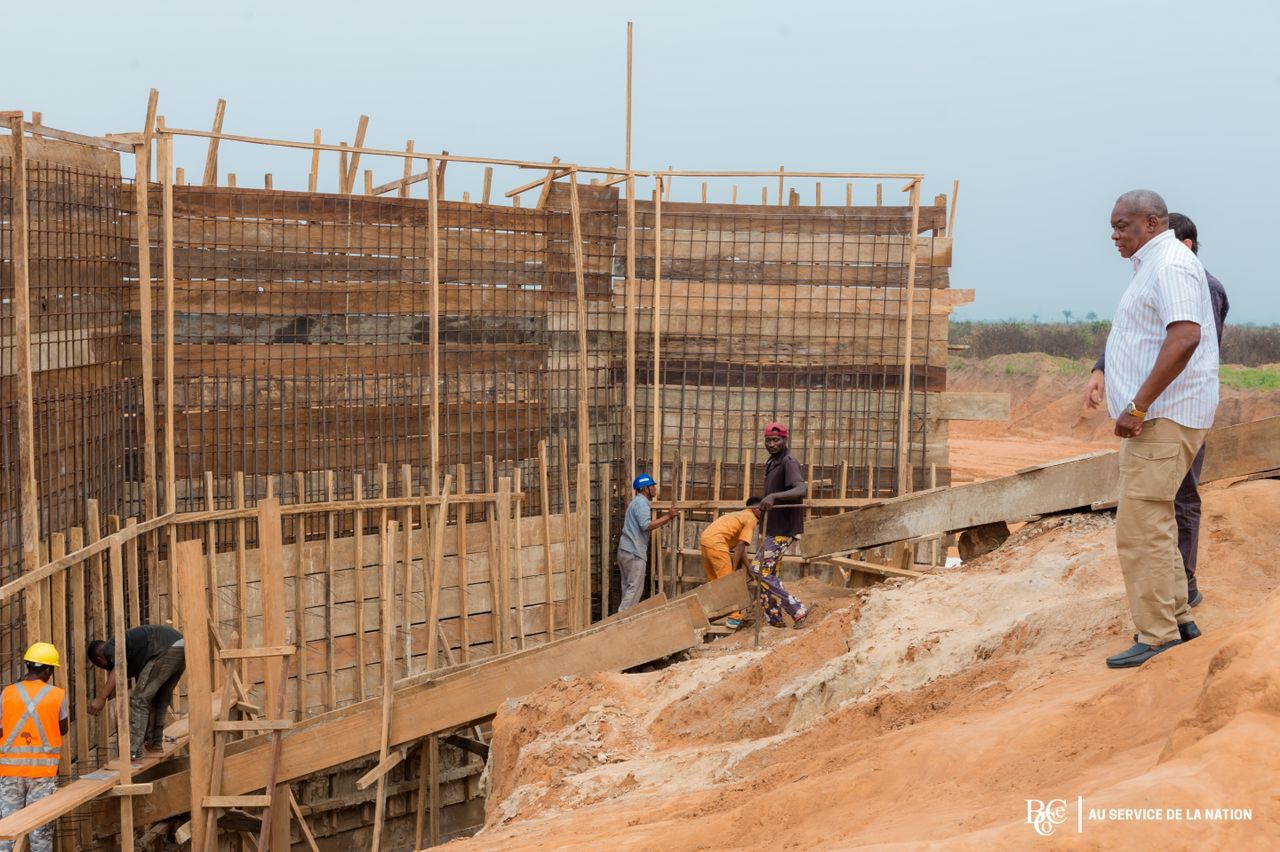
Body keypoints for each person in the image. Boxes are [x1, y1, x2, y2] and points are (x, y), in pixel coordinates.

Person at [1086, 212, 1228, 609]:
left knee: (1153, 523)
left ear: (1154, 226)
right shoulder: (1153, 270)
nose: (1112, 234)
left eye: (1120, 225)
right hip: (1159, 415)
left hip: (1166, 415)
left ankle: (1160, 628)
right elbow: (1139, 337)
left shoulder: (1175, 270)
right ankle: (1178, 612)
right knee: (1157, 520)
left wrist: (1137, 404)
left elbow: (1185, 343)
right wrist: (1103, 369)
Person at [0, 643, 68, 852]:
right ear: (48, 670)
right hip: (42, 775)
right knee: (41, 833)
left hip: (10, 772)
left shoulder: (7, 693)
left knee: (7, 830)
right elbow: (63, 729)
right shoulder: (57, 695)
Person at [87, 625, 185, 759]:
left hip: (165, 648)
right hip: (181, 646)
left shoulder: (110, 646)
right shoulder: (135, 654)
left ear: (99, 659)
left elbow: (119, 667)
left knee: (138, 700)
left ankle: (133, 753)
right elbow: (146, 691)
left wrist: (102, 698)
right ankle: (154, 744)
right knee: (158, 699)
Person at [751, 423, 810, 628]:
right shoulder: (772, 463)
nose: (772, 444)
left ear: (785, 440)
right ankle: (774, 617)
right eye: (768, 440)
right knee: (769, 574)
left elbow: (801, 489)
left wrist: (774, 496)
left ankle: (796, 609)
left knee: (759, 570)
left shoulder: (788, 462)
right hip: (772, 528)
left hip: (783, 530)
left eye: (776, 440)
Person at [698, 497, 762, 629]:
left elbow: (741, 547)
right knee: (728, 582)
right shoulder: (751, 520)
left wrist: (749, 567)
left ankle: (712, 613)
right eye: (762, 510)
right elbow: (740, 546)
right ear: (755, 509)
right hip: (717, 543)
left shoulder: (740, 515)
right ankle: (734, 618)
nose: (764, 513)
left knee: (714, 582)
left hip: (706, 540)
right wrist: (733, 569)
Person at [616, 474, 677, 612]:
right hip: (634, 553)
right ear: (645, 489)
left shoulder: (635, 503)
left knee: (627, 589)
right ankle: (622, 622)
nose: (655, 489)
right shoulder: (641, 503)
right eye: (652, 486)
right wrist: (668, 516)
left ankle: (623, 620)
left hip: (625, 550)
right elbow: (646, 525)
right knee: (634, 590)